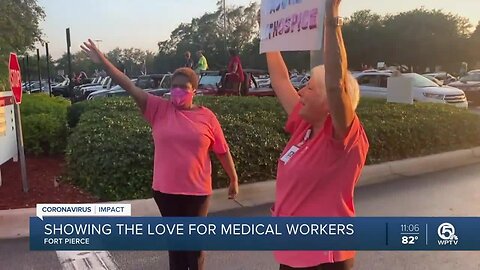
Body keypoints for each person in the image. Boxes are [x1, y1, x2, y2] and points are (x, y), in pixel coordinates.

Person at [81, 39, 239, 270]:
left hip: (197, 193)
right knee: (175, 250)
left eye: (182, 87)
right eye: (173, 86)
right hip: (166, 192)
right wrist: (103, 61)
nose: (176, 91)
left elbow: (222, 151)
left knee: (193, 252)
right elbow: (128, 85)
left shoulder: (208, 117)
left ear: (194, 91)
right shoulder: (158, 108)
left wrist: (233, 179)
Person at [263, 0, 369, 269]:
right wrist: (267, 32)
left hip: (323, 257)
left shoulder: (342, 137)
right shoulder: (304, 126)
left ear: (329, 103)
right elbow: (280, 80)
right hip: (292, 252)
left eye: (309, 88)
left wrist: (332, 16)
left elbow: (335, 86)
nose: (301, 93)